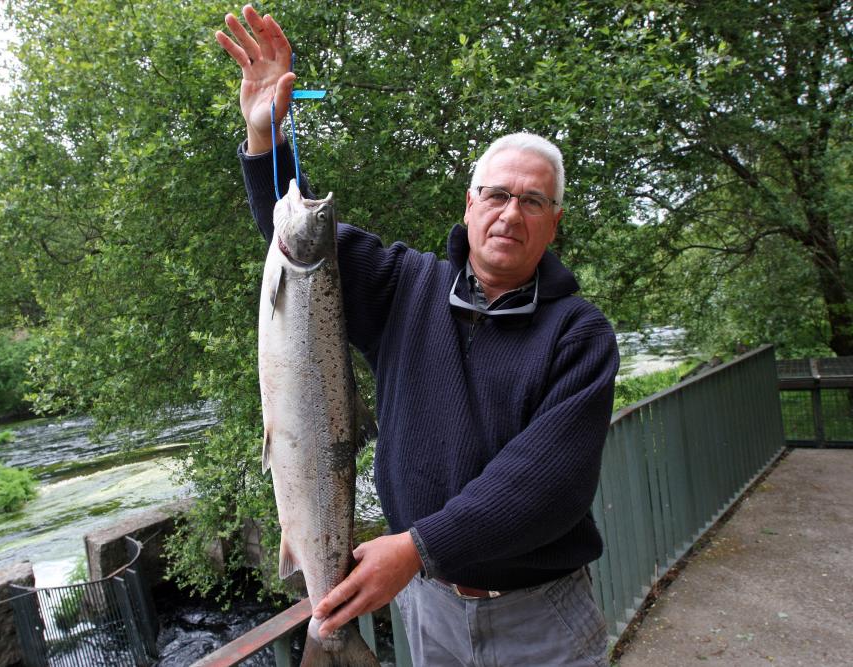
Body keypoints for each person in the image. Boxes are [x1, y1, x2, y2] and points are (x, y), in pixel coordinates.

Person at [216, 6, 619, 665]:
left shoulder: (580, 335)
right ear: (469, 203)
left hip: (540, 615)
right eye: (496, 194)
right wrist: (268, 138)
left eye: (533, 201)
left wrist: (415, 546)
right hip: (427, 608)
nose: (510, 213)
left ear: (555, 222)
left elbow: (550, 483)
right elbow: (304, 255)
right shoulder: (406, 284)